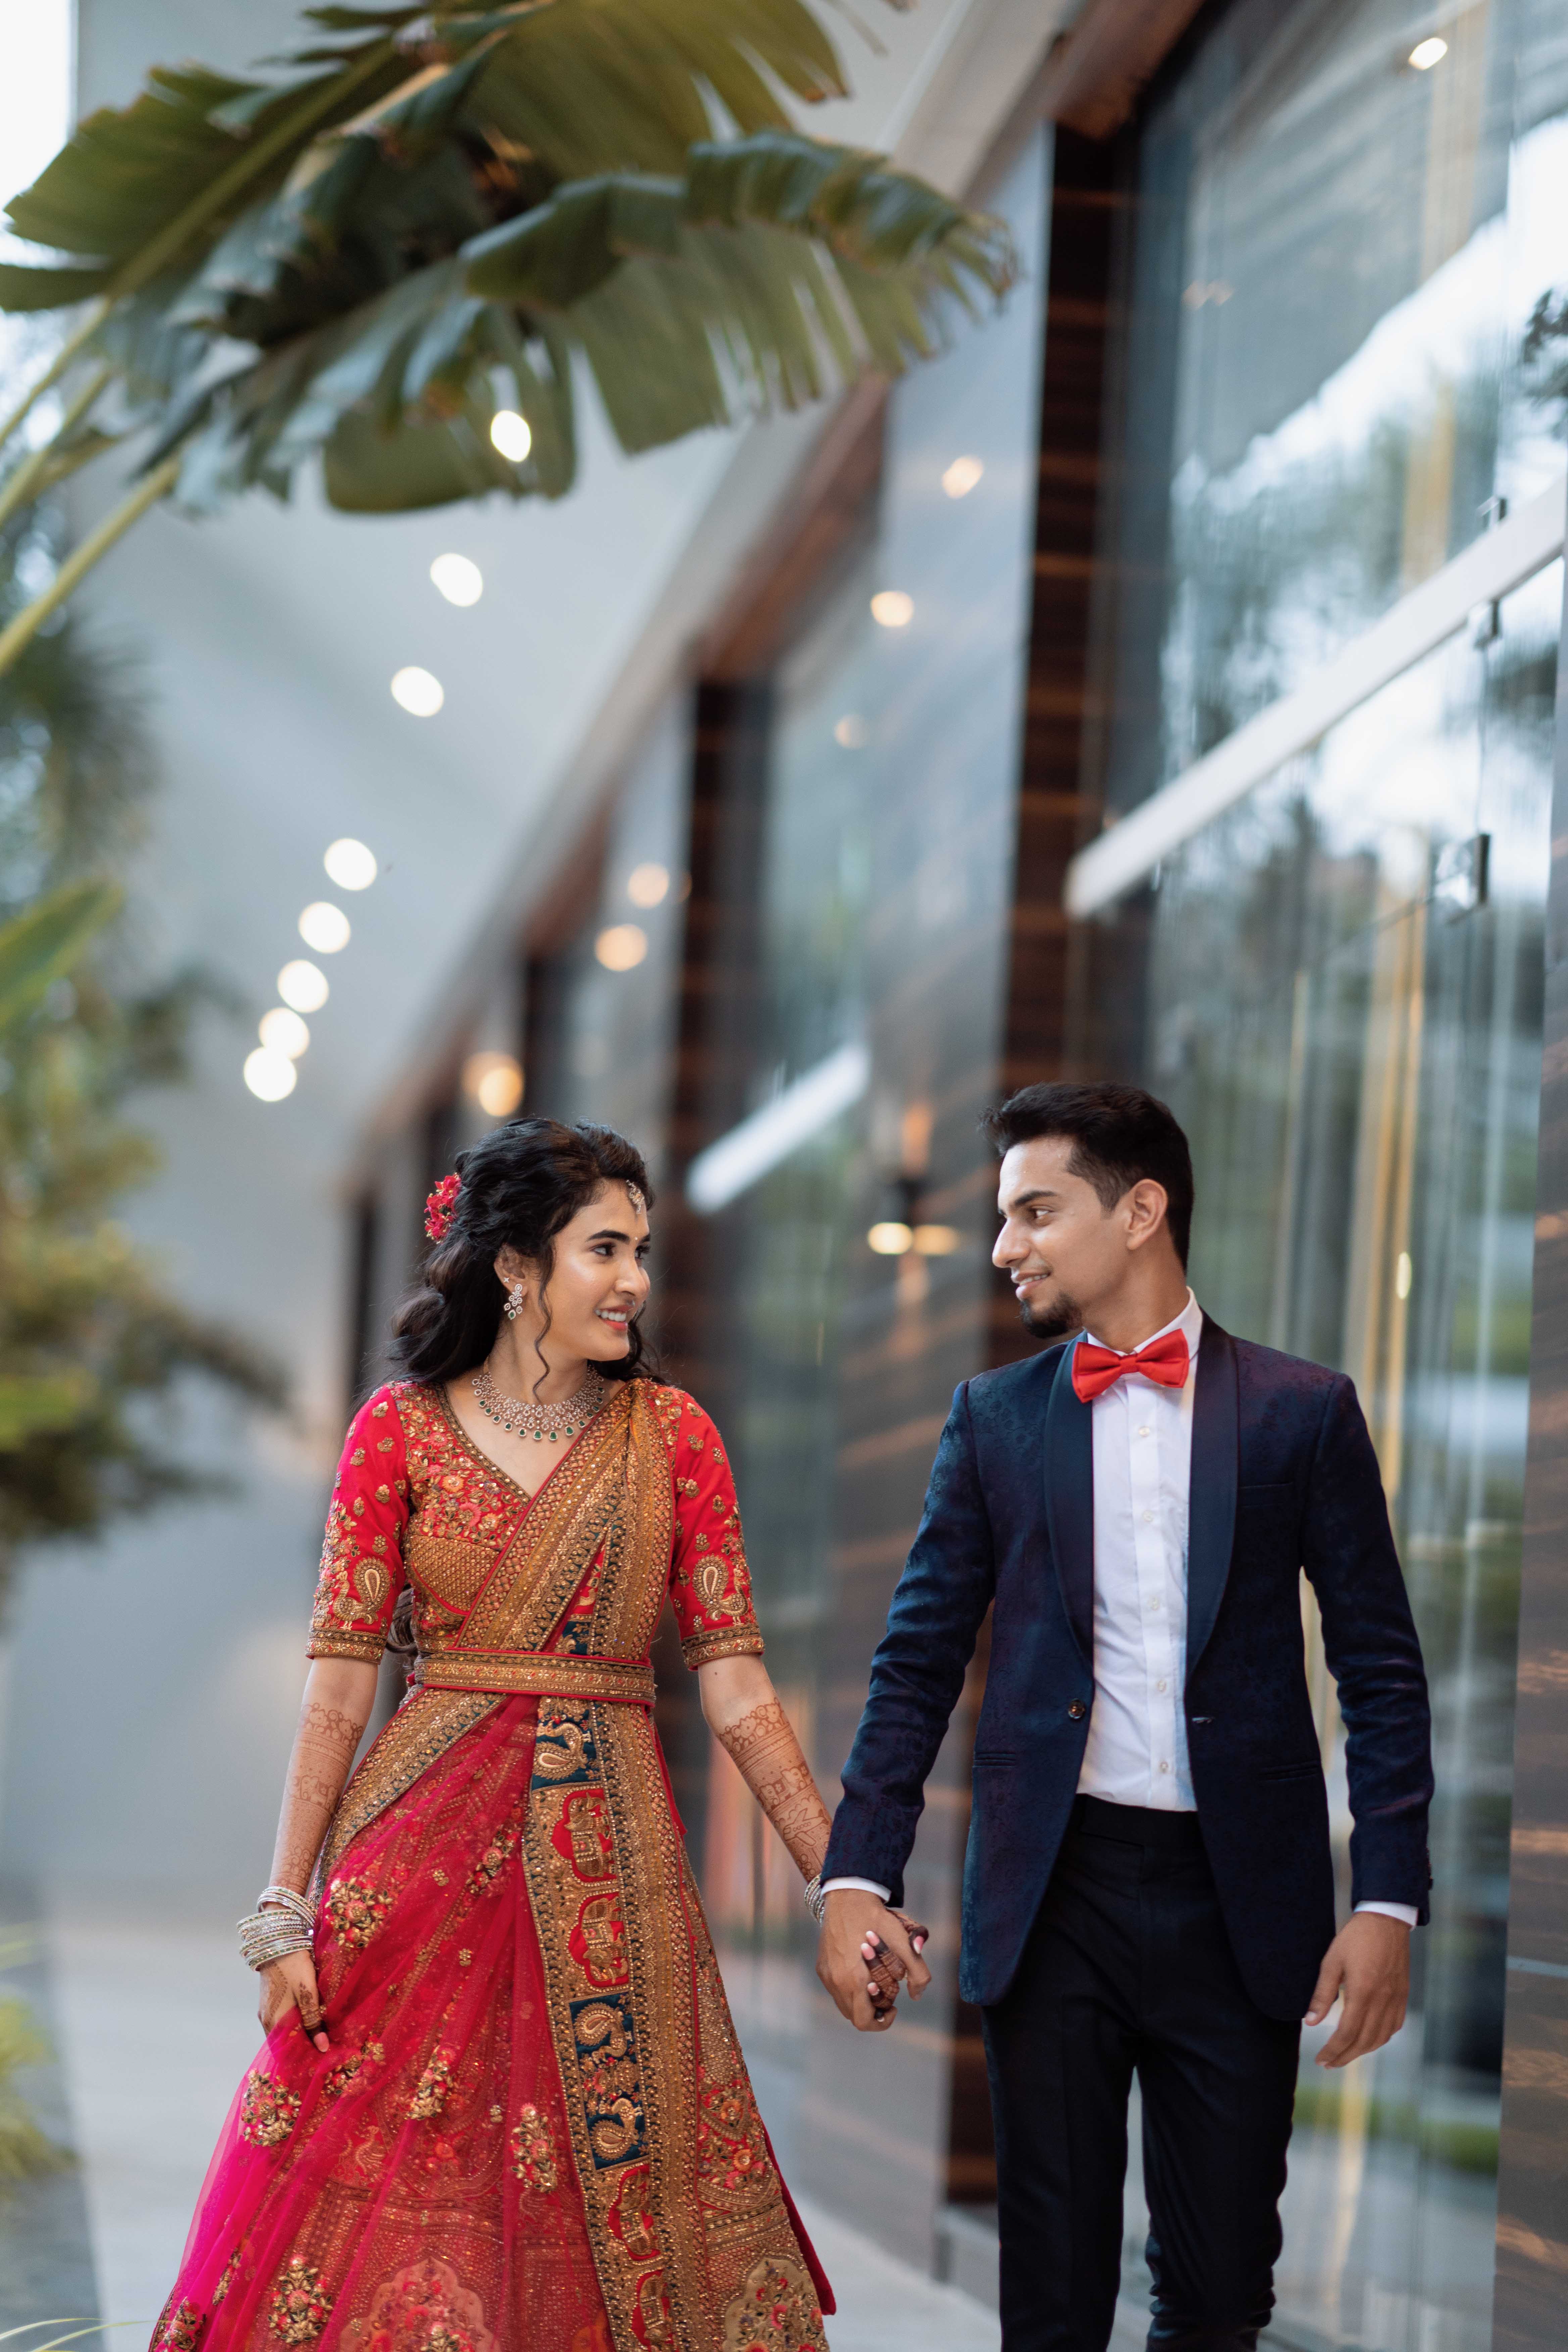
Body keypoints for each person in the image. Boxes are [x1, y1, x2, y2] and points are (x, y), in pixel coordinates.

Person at [150, 1117, 874, 2352]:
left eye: (643, 1249)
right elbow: (336, 1690)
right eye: (605, 1247)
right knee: (383, 2207)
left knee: (625, 2202)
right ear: (515, 1267)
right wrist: (283, 1907)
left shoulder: (676, 1439)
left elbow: (740, 1688)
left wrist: (838, 1879)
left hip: (614, 1874)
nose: (636, 1279)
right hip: (414, 1872)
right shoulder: (400, 1431)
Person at [815, 1081, 1434, 2352]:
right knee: (1050, 2303)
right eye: (1004, 1216)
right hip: (1057, 1900)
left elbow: (1380, 1670)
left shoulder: (1302, 1414)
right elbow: (917, 1660)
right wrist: (856, 1873)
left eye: (1036, 1211)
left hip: (1241, 1908)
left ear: (1142, 1210)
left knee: (1217, 2303)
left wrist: (1387, 1900)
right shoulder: (993, 1421)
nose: (1007, 1248)